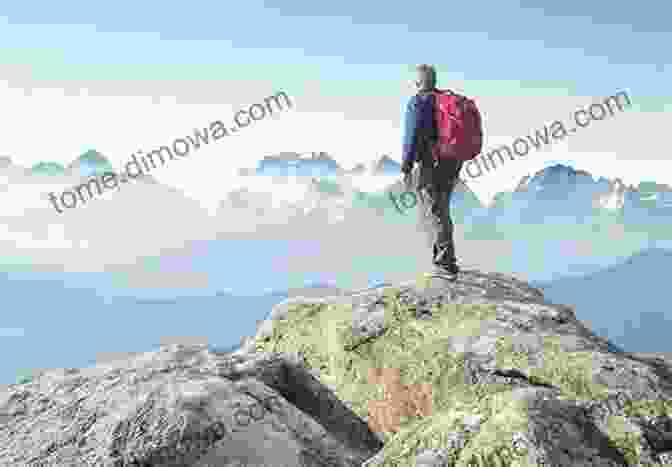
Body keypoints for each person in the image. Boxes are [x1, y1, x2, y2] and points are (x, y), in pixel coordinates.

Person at [401, 64, 466, 279]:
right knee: (442, 209)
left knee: (435, 212)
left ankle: (445, 264)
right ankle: (446, 260)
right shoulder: (445, 100)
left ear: (419, 82)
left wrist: (407, 168)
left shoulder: (418, 102)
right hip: (453, 162)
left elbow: (411, 138)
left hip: (432, 163)